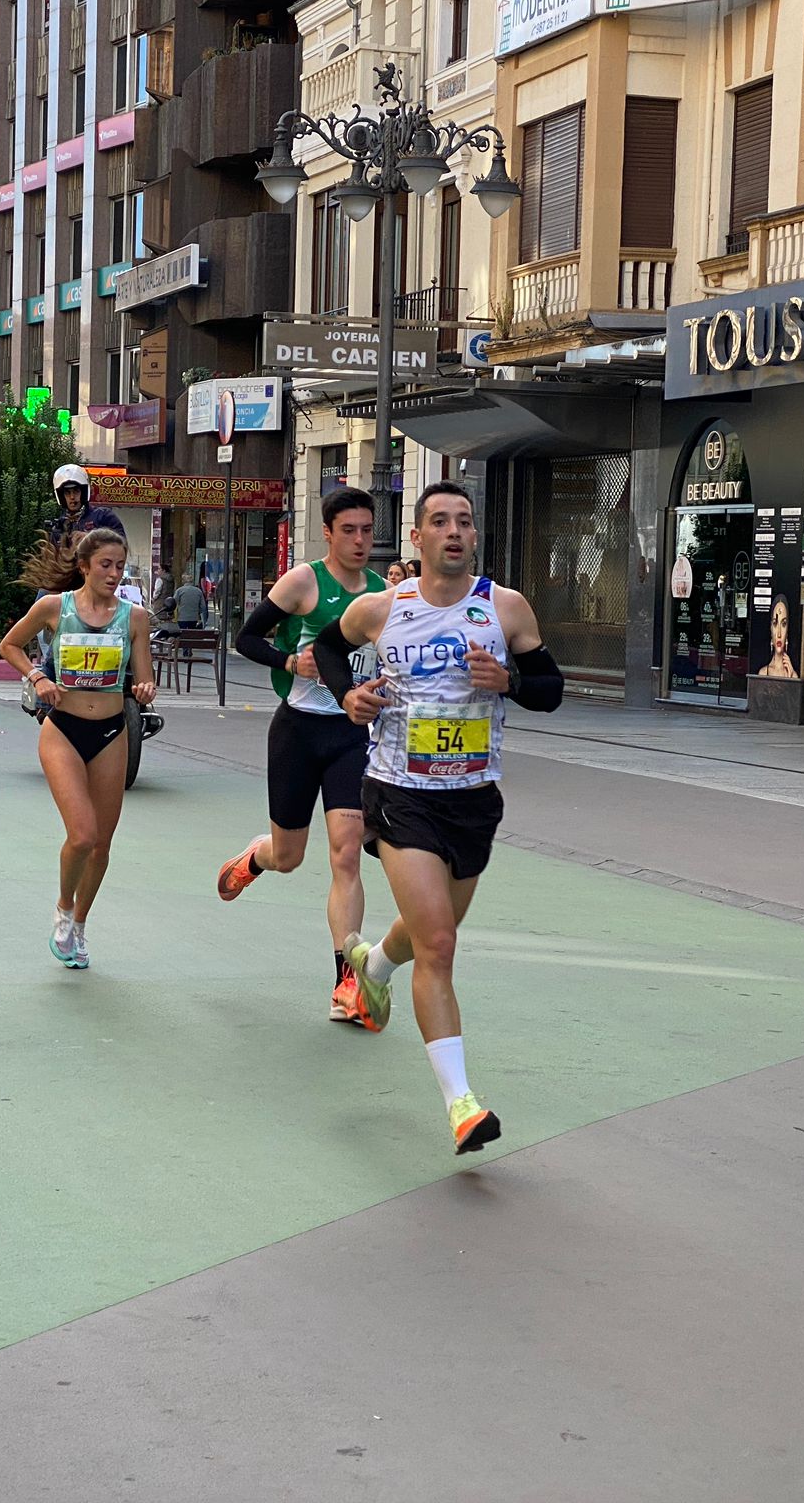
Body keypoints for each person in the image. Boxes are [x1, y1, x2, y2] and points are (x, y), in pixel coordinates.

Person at [312, 481, 566, 1156]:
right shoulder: (382, 608)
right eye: (438, 522)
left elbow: (552, 690)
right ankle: (461, 1104)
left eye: (464, 521)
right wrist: (351, 697)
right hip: (400, 794)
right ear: (418, 539)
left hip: (474, 799)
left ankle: (371, 967)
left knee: (435, 927)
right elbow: (330, 651)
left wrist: (509, 681)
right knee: (442, 946)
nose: (453, 532)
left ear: (474, 536)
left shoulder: (503, 608)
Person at [216, 487, 389, 1024]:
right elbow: (244, 638)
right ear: (329, 533)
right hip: (296, 733)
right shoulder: (303, 581)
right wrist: (291, 661)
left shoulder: (383, 595)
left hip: (349, 737)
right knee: (289, 857)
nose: (360, 541)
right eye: (350, 531)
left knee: (345, 852)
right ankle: (255, 857)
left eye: (367, 530)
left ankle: (348, 982)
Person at [0, 528, 157, 970]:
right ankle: (63, 908)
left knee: (102, 846)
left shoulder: (135, 618)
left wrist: (145, 689)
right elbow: (9, 645)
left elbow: (144, 681)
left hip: (111, 733)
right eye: (105, 564)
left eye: (120, 566)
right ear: (84, 567)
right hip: (63, 729)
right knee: (82, 834)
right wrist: (38, 677)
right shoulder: (55, 607)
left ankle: (79, 926)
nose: (113, 573)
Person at [44, 463, 125, 548]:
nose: (72, 497)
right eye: (67, 493)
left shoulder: (103, 516)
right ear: (62, 497)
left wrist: (91, 538)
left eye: (76, 491)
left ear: (83, 493)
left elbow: (121, 543)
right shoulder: (60, 526)